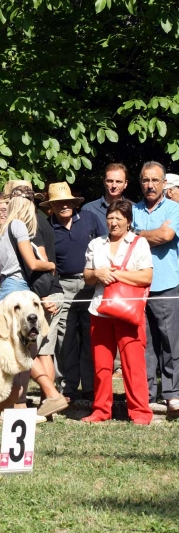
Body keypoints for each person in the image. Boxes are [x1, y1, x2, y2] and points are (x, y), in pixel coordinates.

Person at [0, 186, 67, 418]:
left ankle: (27, 400)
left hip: (8, 287)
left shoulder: (5, 228)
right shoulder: (18, 225)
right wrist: (51, 265)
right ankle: (44, 395)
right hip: (18, 287)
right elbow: (34, 264)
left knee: (19, 348)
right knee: (23, 349)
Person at [82, 200, 153, 424]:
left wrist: (116, 274)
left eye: (119, 218)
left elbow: (146, 277)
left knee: (134, 364)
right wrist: (98, 274)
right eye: (110, 218)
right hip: (100, 310)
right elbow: (87, 276)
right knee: (102, 365)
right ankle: (101, 411)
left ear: (128, 221)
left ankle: (140, 412)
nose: (113, 222)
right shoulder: (96, 244)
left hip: (128, 311)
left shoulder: (139, 243)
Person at [41, 182, 105, 402]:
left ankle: (89, 386)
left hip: (90, 283)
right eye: (59, 203)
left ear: (74, 202)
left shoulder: (89, 218)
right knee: (64, 338)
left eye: (67, 202)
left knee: (90, 335)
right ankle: (67, 387)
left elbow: (105, 245)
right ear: (52, 206)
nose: (64, 206)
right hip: (63, 284)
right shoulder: (48, 227)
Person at [132, 161, 179, 417]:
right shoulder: (133, 209)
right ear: (141, 183)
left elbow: (166, 237)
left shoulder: (174, 209)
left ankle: (173, 395)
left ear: (164, 184)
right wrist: (149, 233)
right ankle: (147, 395)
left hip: (166, 283)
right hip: (138, 285)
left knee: (171, 343)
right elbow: (125, 238)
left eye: (155, 180)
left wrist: (139, 234)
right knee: (144, 343)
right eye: (146, 180)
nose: (150, 185)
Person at [82, 163, 129, 233]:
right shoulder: (88, 209)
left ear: (125, 184)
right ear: (104, 182)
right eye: (110, 181)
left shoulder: (134, 209)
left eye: (118, 181)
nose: (114, 185)